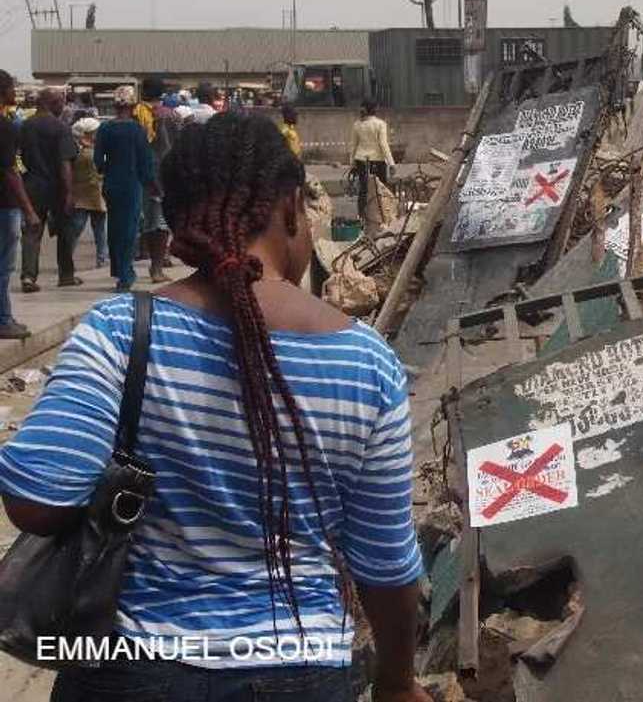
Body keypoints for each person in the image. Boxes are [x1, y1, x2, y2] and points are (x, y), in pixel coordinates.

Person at [0, 113, 431, 702]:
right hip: (301, 671)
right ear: (288, 208)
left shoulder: (122, 332)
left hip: (129, 667)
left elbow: (37, 499)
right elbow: (385, 560)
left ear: (181, 224)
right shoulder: (367, 362)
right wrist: (398, 681)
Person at [18, 87, 80, 291]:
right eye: (60, 102)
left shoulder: (24, 126)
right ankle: (66, 275)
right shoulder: (61, 128)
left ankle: (28, 276)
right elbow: (65, 163)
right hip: (56, 187)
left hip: (32, 185)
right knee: (65, 231)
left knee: (32, 232)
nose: (63, 106)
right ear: (51, 103)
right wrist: (69, 193)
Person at [95, 86, 156, 292]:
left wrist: (108, 171)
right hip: (132, 185)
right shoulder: (137, 130)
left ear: (114, 106)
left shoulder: (105, 129)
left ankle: (118, 269)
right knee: (129, 229)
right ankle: (125, 274)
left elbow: (98, 161)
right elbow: (145, 162)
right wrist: (152, 184)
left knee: (114, 228)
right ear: (133, 106)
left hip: (112, 184)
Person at [0, 71, 41, 339]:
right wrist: (29, 210)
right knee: (3, 266)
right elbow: (9, 172)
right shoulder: (6, 127)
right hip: (4, 204)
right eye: (12, 88)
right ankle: (3, 320)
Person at [136, 77, 174, 282]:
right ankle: (157, 268)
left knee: (149, 222)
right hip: (159, 175)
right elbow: (166, 148)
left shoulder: (136, 113)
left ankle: (152, 264)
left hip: (141, 175)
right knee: (159, 224)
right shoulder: (165, 115)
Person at [70, 116, 108, 269]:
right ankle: (101, 258)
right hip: (92, 194)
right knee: (97, 228)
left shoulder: (79, 150)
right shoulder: (88, 152)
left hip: (84, 194)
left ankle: (100, 257)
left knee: (80, 228)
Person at [349, 101, 394, 224]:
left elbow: (353, 145)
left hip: (361, 160)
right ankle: (381, 216)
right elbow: (383, 144)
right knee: (380, 189)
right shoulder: (380, 124)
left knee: (363, 189)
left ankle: (362, 217)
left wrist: (352, 163)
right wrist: (391, 163)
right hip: (378, 160)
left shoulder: (357, 124)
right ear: (375, 109)